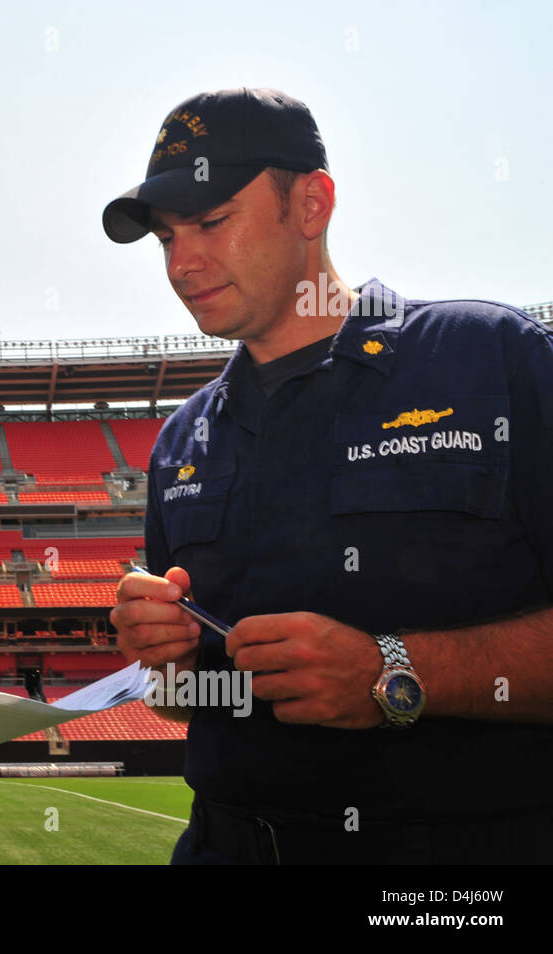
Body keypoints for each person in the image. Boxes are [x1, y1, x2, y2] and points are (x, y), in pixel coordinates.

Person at [104, 88, 553, 864]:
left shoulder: (490, 358)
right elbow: (186, 707)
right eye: (166, 237)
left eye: (211, 222)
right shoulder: (184, 438)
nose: (182, 263)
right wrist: (171, 663)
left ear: (311, 204)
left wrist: (394, 673)